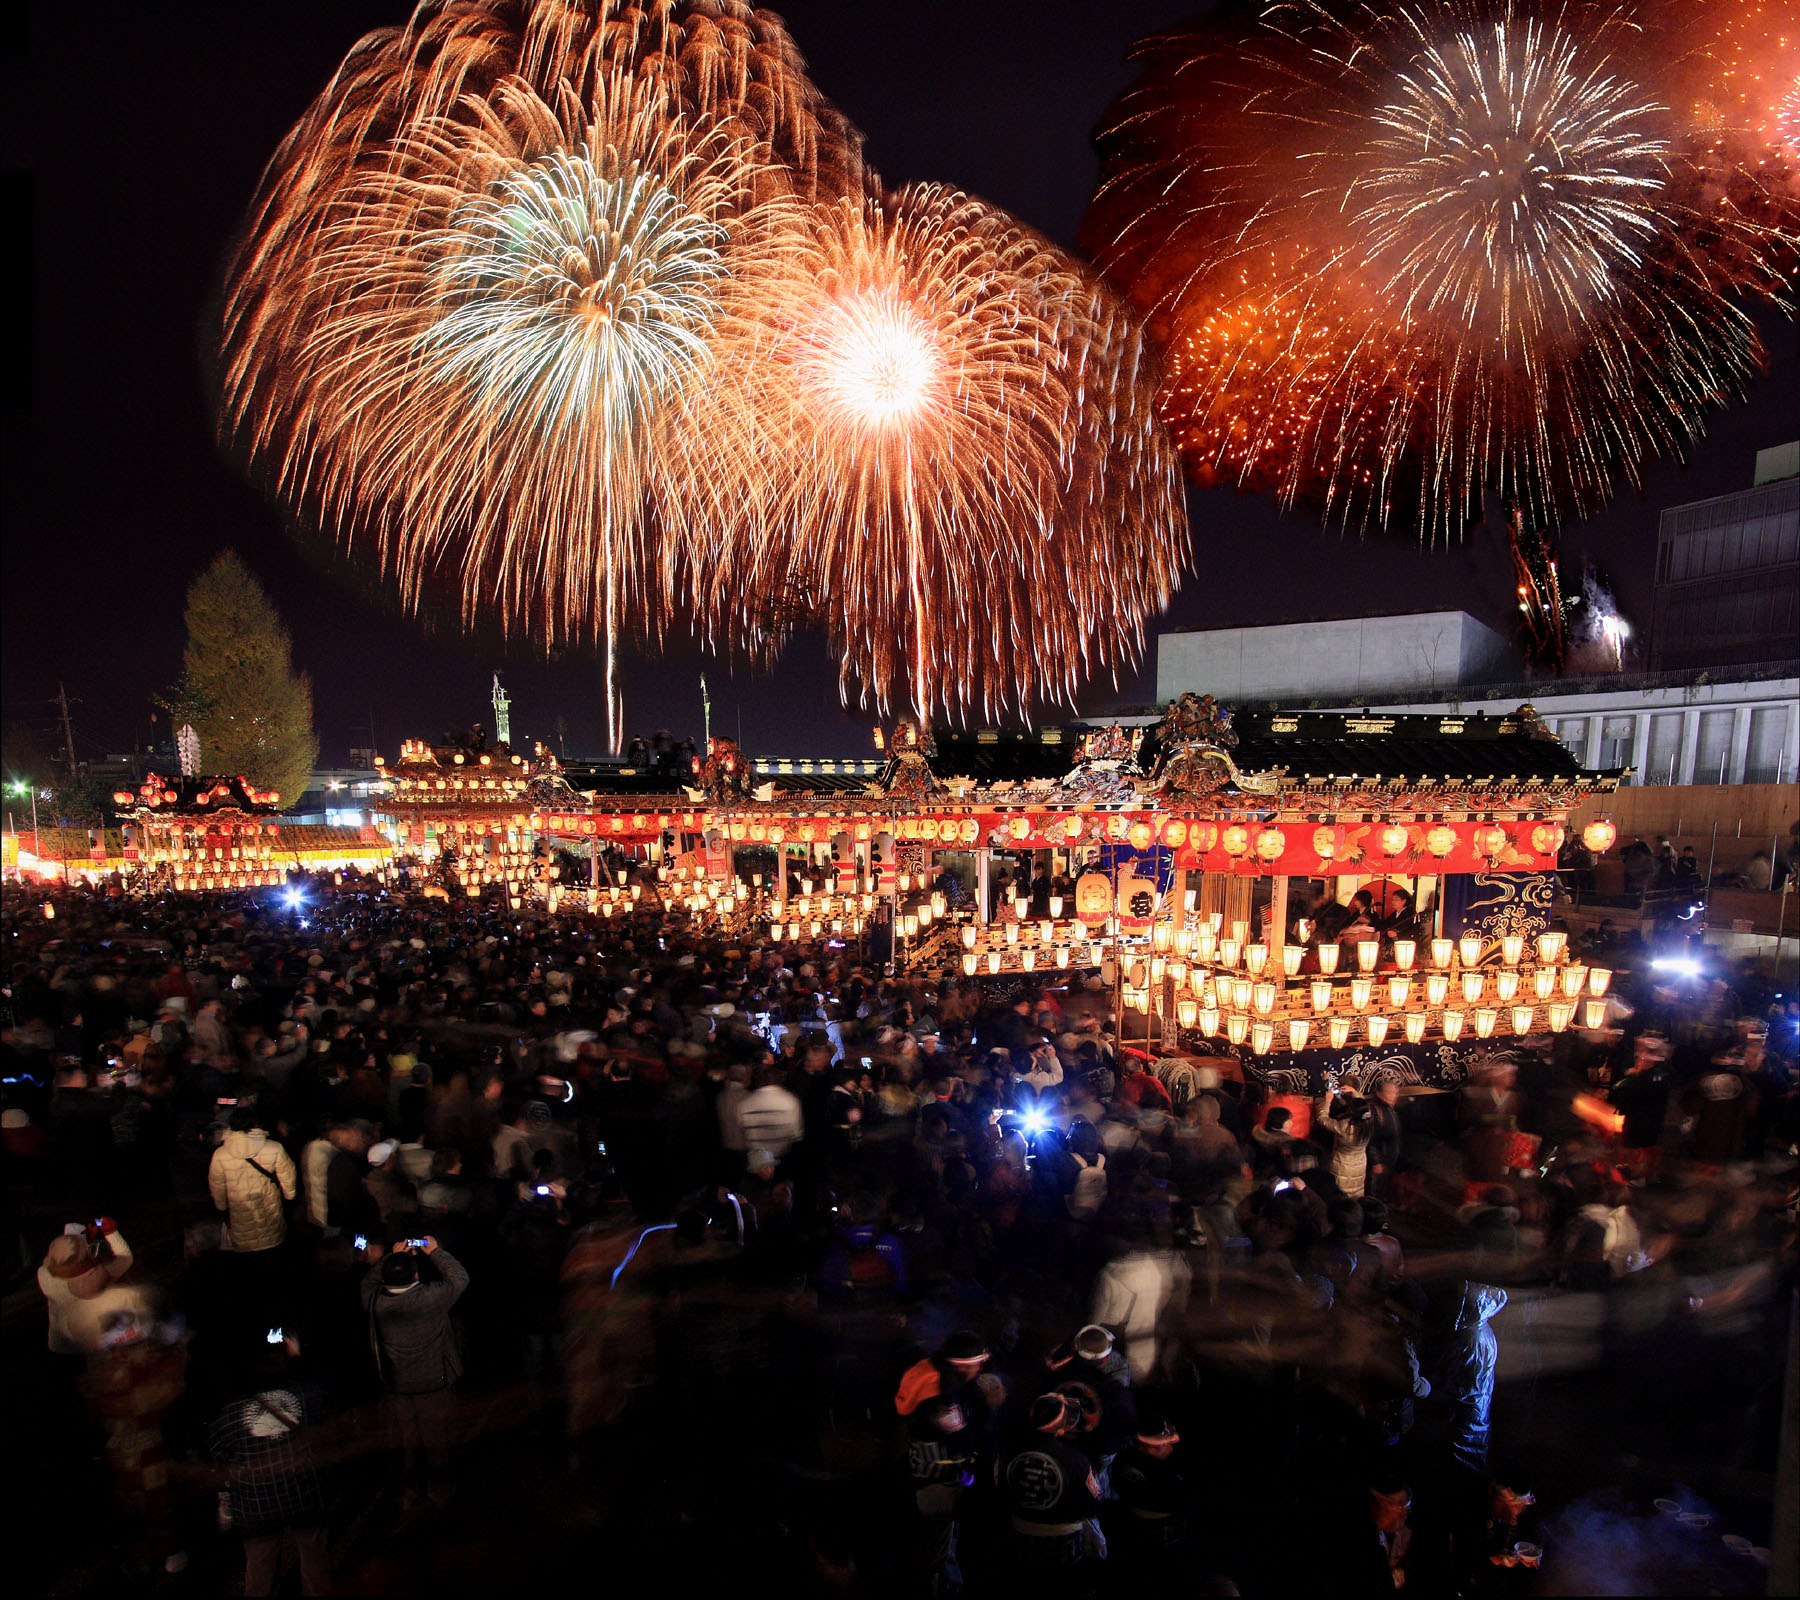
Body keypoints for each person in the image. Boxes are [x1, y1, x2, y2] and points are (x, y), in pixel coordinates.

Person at [210, 1332, 331, 1596]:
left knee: (259, 1568)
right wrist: (299, 1359)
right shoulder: (308, 1394)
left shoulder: (231, 1411)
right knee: (315, 1560)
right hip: (304, 1496)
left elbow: (218, 1452)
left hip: (256, 1506)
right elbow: (325, 1418)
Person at [361, 1236, 470, 1508]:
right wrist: (435, 1251)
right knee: (438, 1443)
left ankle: (409, 1492)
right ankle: (440, 1492)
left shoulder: (375, 1302)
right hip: (435, 1382)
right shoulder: (431, 1298)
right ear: (417, 1275)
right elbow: (459, 1277)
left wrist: (389, 1259)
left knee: (406, 1444)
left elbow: (367, 1283)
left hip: (396, 1385)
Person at [1000, 1392, 1103, 1569]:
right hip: (1063, 1538)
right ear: (1062, 1428)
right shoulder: (1077, 1460)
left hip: (1019, 1530)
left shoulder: (1008, 1452)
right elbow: (1092, 1502)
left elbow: (1000, 1488)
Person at [209, 1106, 298, 1256]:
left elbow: (217, 1186)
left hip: (239, 1214)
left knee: (248, 1262)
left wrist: (222, 1207)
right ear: (256, 1123)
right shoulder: (275, 1148)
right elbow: (288, 1178)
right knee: (272, 1254)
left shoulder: (220, 1154)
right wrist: (289, 1197)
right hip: (270, 1211)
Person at [39, 1220, 133, 1355]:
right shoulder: (90, 1278)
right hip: (89, 1342)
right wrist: (111, 1233)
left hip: (60, 1343)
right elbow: (125, 1259)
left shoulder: (44, 1274)